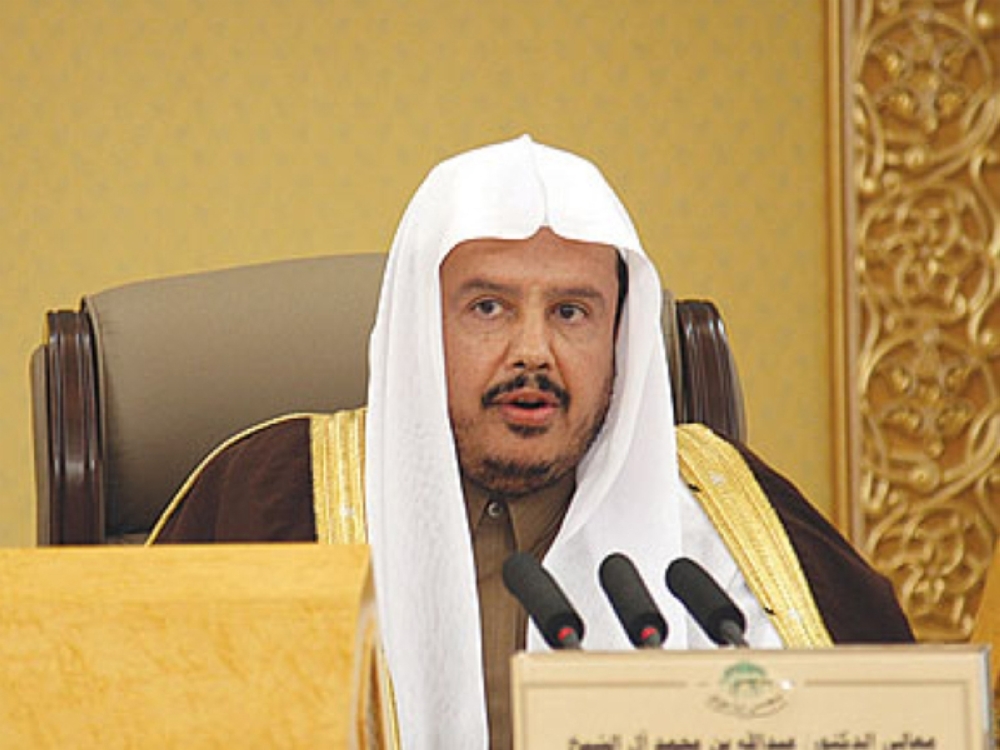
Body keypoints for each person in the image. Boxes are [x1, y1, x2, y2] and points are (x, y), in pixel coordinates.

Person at [148, 135, 913, 749]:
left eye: (572, 312)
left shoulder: (735, 512)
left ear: (621, 338)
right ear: (420, 327)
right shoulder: (270, 499)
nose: (533, 353)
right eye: (489, 307)